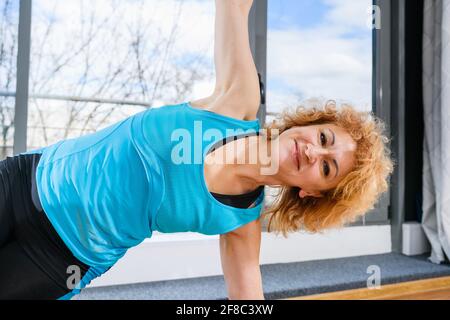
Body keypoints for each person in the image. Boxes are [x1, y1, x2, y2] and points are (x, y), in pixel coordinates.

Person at [0, 0, 394, 300]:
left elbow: (247, 299)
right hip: (25, 180)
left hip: (58, 258)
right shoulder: (236, 102)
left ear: (311, 193)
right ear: (307, 126)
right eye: (324, 139)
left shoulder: (241, 223)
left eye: (327, 169)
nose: (313, 153)